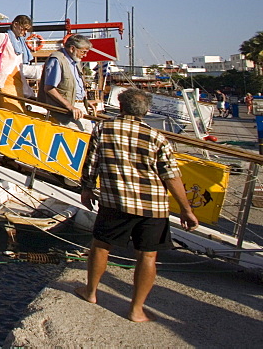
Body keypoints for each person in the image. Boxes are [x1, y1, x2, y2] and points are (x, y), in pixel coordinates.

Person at [74, 88, 199, 323]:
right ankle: (136, 309)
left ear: (121, 107)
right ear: (146, 111)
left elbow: (91, 162)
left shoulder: (103, 129)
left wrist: (87, 187)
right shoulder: (156, 137)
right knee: (147, 255)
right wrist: (186, 209)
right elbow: (171, 176)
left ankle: (90, 292)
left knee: (101, 246)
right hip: (152, 205)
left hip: (115, 201)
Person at [38, 34, 94, 131]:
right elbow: (49, 88)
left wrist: (85, 101)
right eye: (83, 52)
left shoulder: (74, 61)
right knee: (76, 137)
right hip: (66, 111)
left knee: (89, 136)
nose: (85, 55)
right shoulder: (57, 60)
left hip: (79, 107)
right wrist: (70, 107)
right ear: (72, 49)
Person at [0, 15, 35, 111]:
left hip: (17, 82)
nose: (25, 32)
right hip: (3, 81)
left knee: (17, 112)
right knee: (11, 111)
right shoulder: (2, 37)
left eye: (27, 30)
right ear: (15, 24)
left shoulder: (20, 43)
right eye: (23, 29)